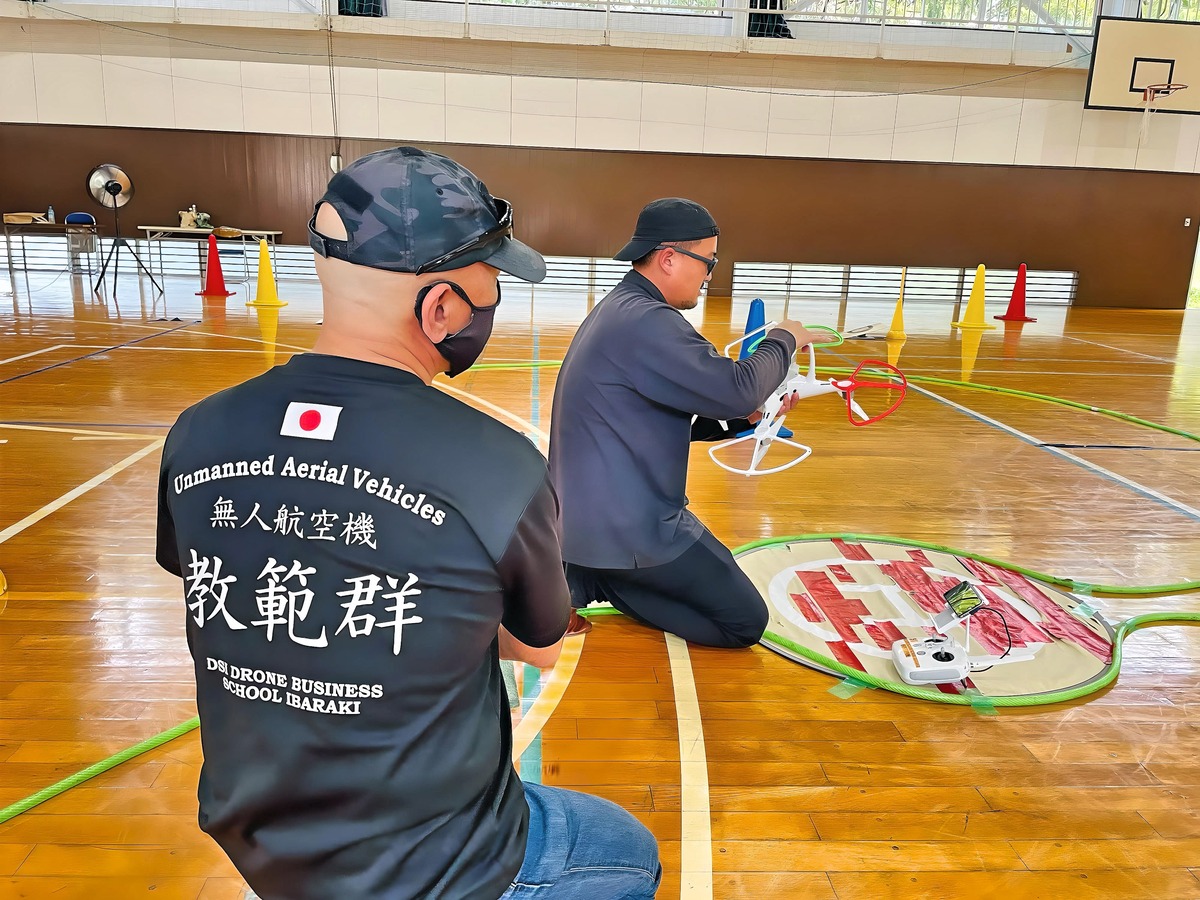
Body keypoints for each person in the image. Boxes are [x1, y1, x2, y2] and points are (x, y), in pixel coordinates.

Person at [156, 147, 661, 900]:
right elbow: (540, 647)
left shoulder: (196, 434)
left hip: (259, 838)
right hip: (432, 864)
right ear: (440, 308)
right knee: (626, 850)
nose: (492, 303)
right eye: (489, 283)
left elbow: (215, 571)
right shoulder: (494, 465)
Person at [548, 198, 822, 649]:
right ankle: (599, 583)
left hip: (584, 520)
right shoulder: (647, 321)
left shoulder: (620, 308)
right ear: (669, 258)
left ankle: (581, 577)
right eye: (709, 261)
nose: (711, 274)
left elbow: (663, 417)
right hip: (630, 524)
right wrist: (784, 339)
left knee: (714, 576)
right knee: (743, 622)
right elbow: (736, 388)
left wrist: (746, 419)